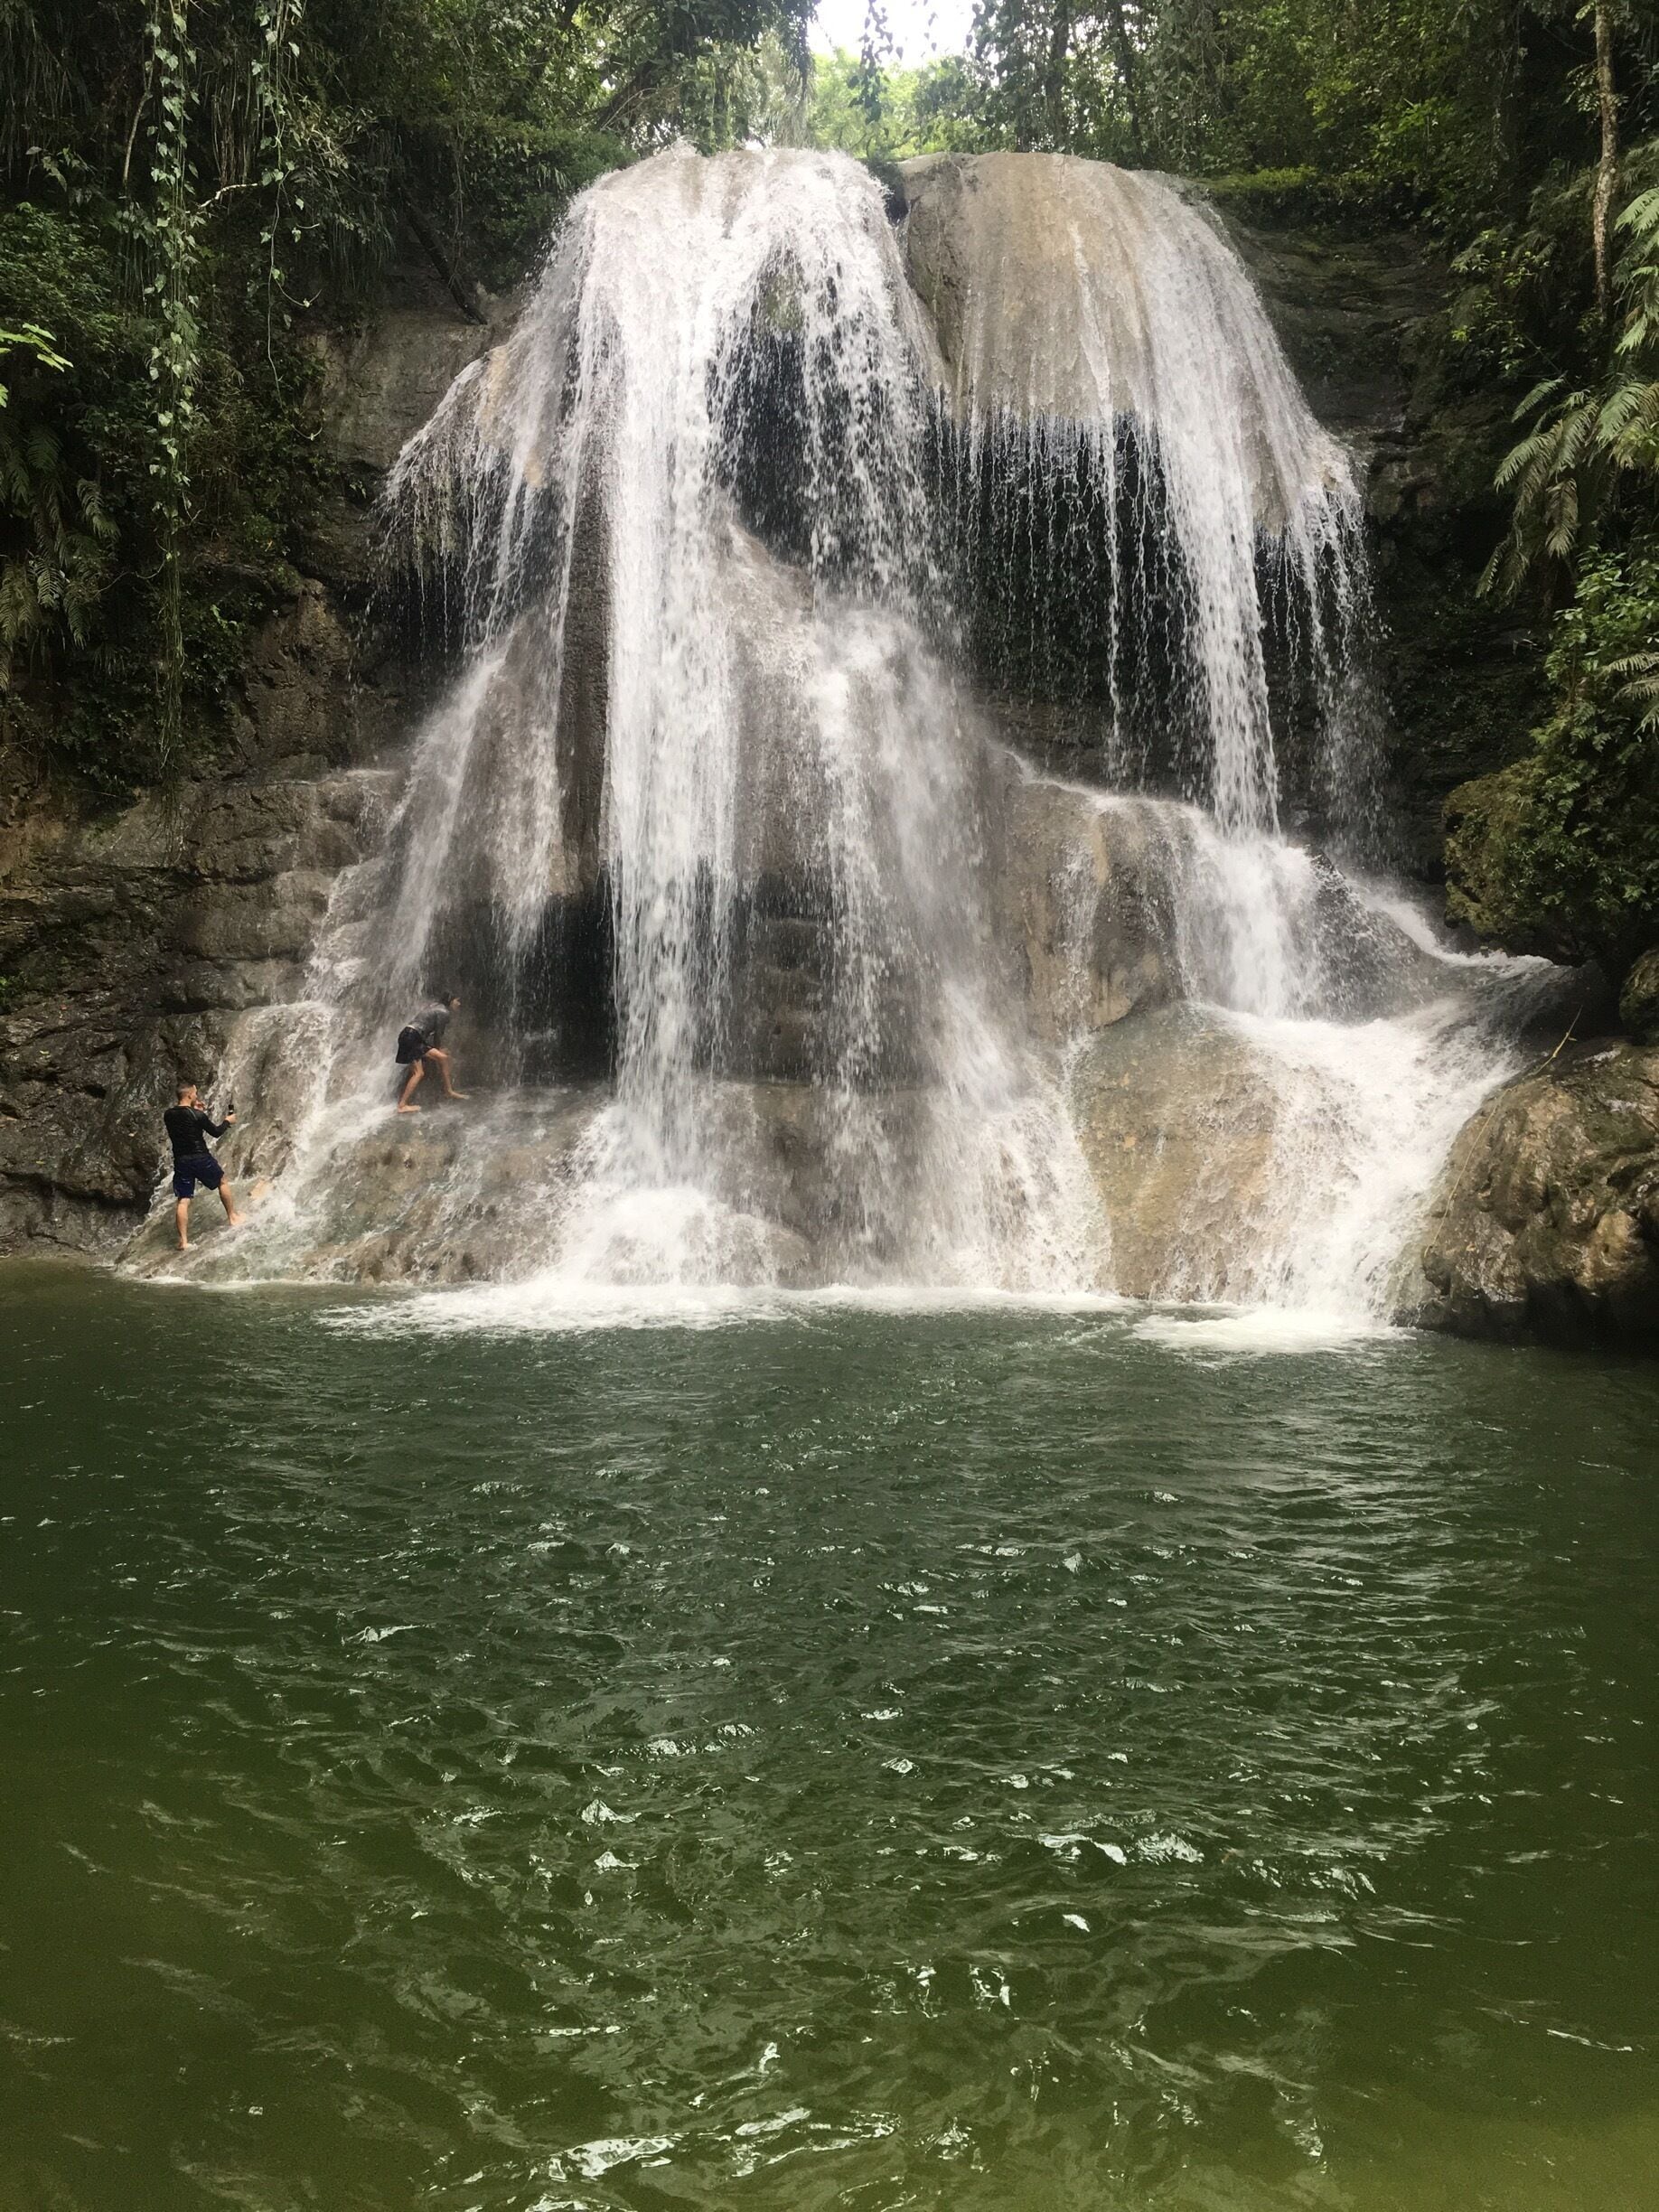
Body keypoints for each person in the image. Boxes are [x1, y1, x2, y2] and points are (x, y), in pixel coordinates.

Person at [164, 1082, 241, 1251]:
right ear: (190, 1095)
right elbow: (216, 1131)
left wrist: (195, 1110)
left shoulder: (168, 1115)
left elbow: (184, 1120)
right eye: (195, 1093)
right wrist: (228, 1121)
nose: (197, 1096)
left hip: (181, 1160)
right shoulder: (197, 1116)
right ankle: (232, 1217)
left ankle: (183, 1241)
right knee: (222, 1181)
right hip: (200, 1157)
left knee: (183, 1200)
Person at [395, 991, 469, 1112]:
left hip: (409, 1036)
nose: (459, 1004)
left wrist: (437, 1049)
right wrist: (438, 1048)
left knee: (442, 1058)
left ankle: (448, 1091)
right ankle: (402, 1105)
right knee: (419, 1073)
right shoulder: (444, 1012)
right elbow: (438, 1035)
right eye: (457, 1000)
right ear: (450, 1001)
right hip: (412, 1037)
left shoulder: (435, 1006)